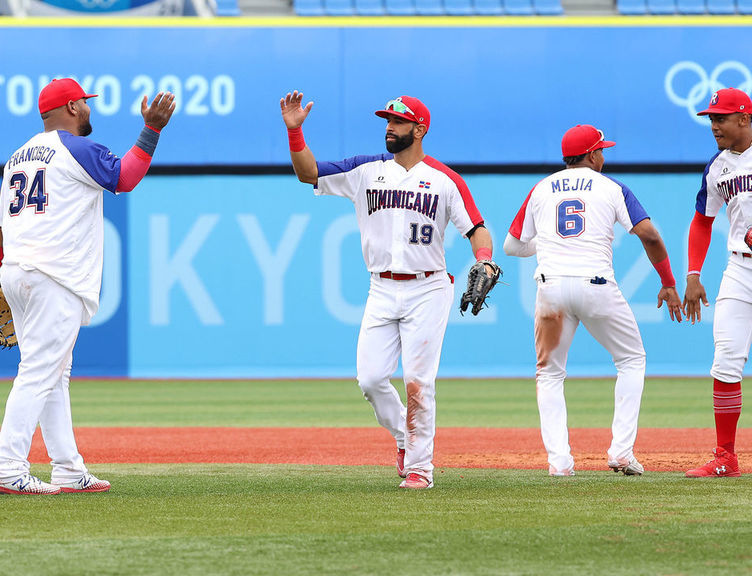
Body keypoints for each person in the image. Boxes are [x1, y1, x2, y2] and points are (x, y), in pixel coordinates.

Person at [280, 91, 495, 489]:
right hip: (381, 288)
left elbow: (476, 228)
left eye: (397, 121)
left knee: (418, 381)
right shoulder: (365, 170)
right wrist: (296, 133)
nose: (389, 127)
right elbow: (307, 172)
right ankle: (403, 438)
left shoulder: (446, 180)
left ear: (420, 128)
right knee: (371, 379)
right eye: (387, 120)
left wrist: (483, 260)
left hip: (428, 287)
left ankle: (420, 468)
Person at [0, 78, 175, 495]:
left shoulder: (17, 156)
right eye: (85, 103)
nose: (89, 109)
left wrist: (0, 269)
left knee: (55, 372)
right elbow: (125, 178)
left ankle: (68, 468)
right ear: (71, 107)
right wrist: (153, 129)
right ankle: (6, 466)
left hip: (19, 270)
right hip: (52, 275)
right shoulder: (78, 148)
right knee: (39, 371)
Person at [504, 124, 682, 477]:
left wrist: (551, 245)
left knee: (549, 374)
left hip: (550, 289)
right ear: (591, 155)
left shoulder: (540, 188)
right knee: (631, 360)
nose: (604, 155)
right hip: (596, 285)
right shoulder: (611, 186)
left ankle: (559, 463)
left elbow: (512, 245)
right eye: (601, 150)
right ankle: (620, 452)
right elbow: (649, 234)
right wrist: (668, 281)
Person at [683, 87, 752, 478]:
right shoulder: (718, 165)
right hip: (740, 269)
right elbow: (702, 221)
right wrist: (693, 273)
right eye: (711, 118)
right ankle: (725, 456)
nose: (714, 125)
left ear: (744, 118)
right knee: (726, 359)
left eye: (721, 118)